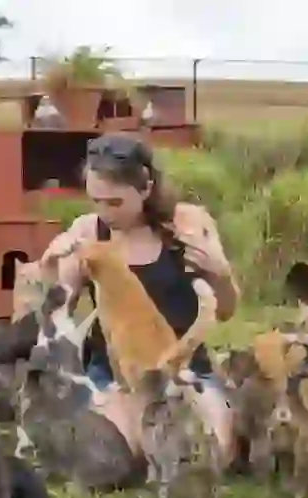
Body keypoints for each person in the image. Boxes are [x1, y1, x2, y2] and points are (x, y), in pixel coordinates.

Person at [38, 133, 240, 454]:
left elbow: (227, 310)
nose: (105, 212)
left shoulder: (187, 225)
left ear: (146, 187)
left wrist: (220, 271)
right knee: (125, 451)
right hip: (116, 374)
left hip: (184, 369)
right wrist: (51, 272)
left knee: (214, 448)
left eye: (115, 202)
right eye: (96, 201)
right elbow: (56, 316)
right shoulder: (89, 231)